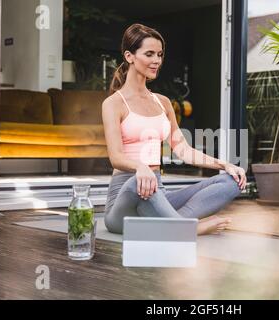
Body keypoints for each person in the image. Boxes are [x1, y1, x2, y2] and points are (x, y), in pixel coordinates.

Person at [102, 23, 246, 235]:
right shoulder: (114, 103)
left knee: (232, 180)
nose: (157, 61)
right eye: (149, 54)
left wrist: (225, 165)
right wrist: (141, 168)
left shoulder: (163, 102)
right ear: (129, 56)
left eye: (159, 54)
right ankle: (188, 229)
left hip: (157, 194)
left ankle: (169, 224)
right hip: (125, 202)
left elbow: (183, 150)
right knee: (137, 183)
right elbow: (115, 157)